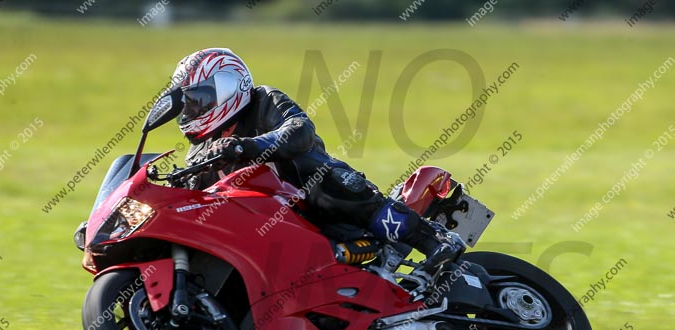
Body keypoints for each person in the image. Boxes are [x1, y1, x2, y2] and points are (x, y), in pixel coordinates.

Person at [170, 48, 464, 271]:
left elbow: (300, 131)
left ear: (229, 87)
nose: (192, 108)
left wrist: (244, 147)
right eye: (189, 101)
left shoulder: (263, 101)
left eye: (200, 98)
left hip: (310, 195)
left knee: (315, 174)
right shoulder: (201, 150)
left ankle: (433, 240)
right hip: (269, 226)